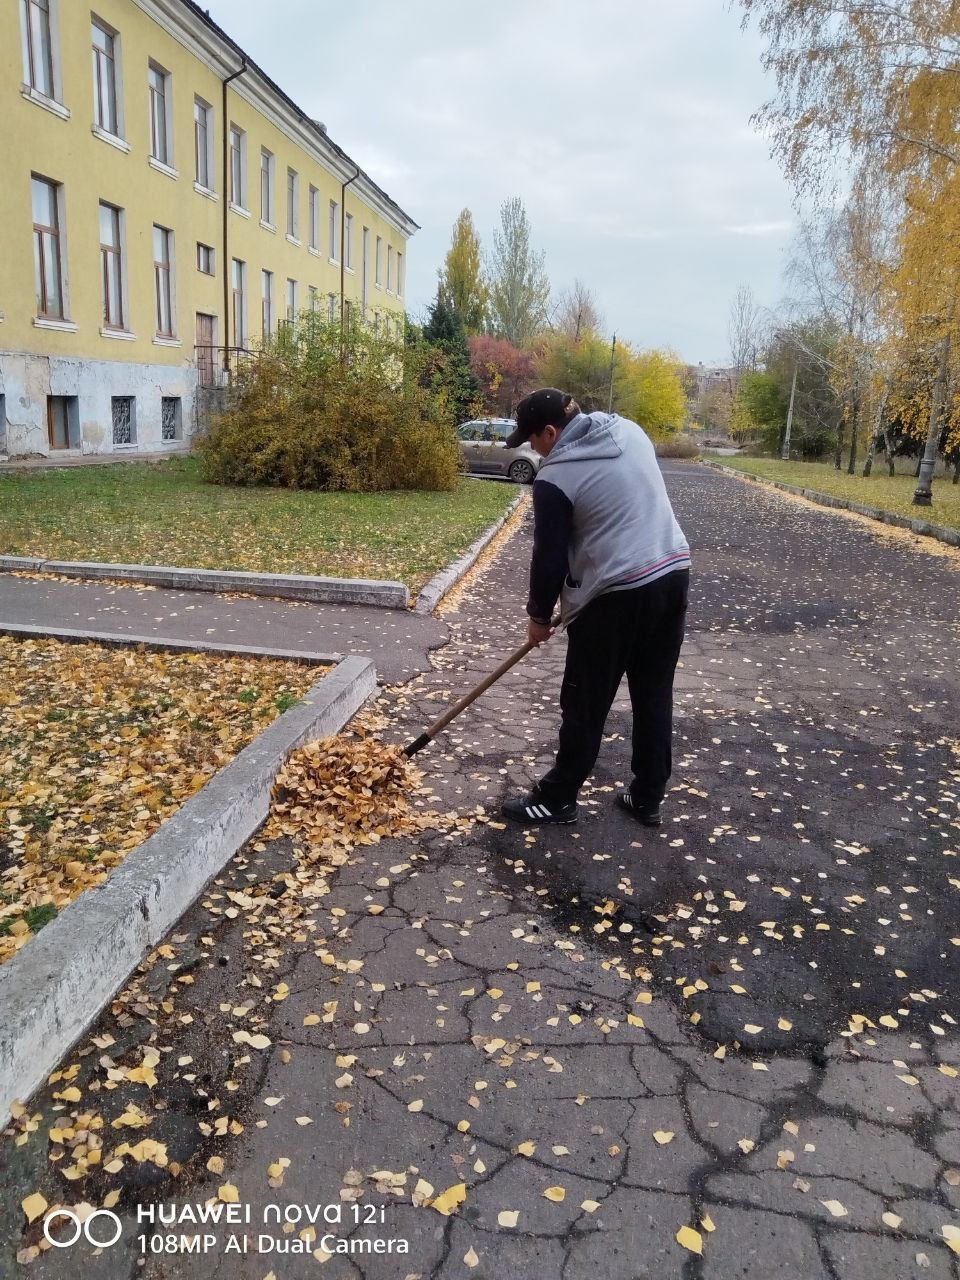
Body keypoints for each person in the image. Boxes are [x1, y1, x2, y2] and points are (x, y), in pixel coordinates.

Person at [501, 387, 691, 827]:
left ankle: (558, 797)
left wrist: (536, 617)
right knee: (653, 694)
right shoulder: (629, 430)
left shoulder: (554, 480)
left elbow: (548, 558)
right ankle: (647, 797)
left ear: (551, 432)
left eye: (532, 439)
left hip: (616, 594)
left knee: (584, 701)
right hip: (673, 574)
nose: (531, 448)